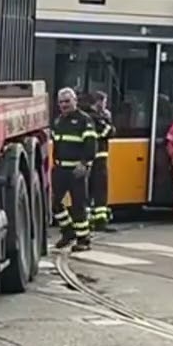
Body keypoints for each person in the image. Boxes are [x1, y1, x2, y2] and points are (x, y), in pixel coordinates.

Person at [50, 87, 97, 251]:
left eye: (67, 101)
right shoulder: (58, 122)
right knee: (54, 203)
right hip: (60, 169)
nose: (64, 105)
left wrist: (84, 163)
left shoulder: (85, 120)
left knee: (78, 206)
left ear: (75, 101)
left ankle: (84, 240)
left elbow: (91, 144)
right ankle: (68, 232)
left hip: (77, 171)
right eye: (61, 102)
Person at [85, 90, 117, 233]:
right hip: (98, 159)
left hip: (92, 159)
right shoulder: (93, 118)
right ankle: (98, 223)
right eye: (103, 102)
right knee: (99, 191)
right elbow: (106, 133)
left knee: (92, 191)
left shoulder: (90, 117)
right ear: (97, 102)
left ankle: (94, 221)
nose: (105, 105)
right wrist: (108, 124)